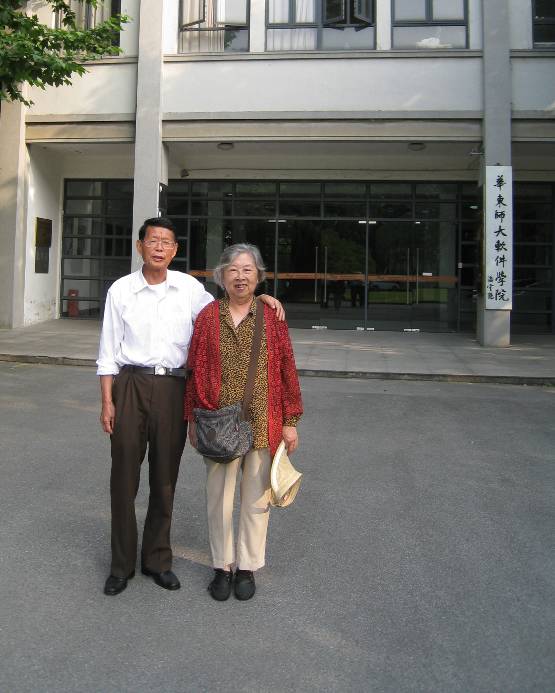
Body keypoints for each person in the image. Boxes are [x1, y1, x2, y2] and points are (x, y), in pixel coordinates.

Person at [97, 218, 283, 596]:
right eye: (153, 241)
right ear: (140, 246)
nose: (159, 248)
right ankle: (121, 565)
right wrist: (107, 402)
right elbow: (107, 350)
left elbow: (228, 308)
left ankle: (157, 560)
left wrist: (262, 298)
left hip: (173, 387)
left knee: (165, 478)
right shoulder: (121, 290)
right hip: (130, 384)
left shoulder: (189, 288)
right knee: (124, 478)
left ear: (175, 250)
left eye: (166, 242)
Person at [185, 243, 303, 602]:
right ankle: (222, 566)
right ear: (222, 276)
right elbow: (193, 370)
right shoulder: (208, 316)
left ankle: (248, 566)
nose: (240, 276)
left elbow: (286, 368)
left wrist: (291, 420)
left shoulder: (272, 317)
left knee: (256, 499)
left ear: (259, 276)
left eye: (247, 269)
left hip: (264, 421)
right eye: (233, 269)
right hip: (219, 424)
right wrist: (192, 417)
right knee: (219, 499)